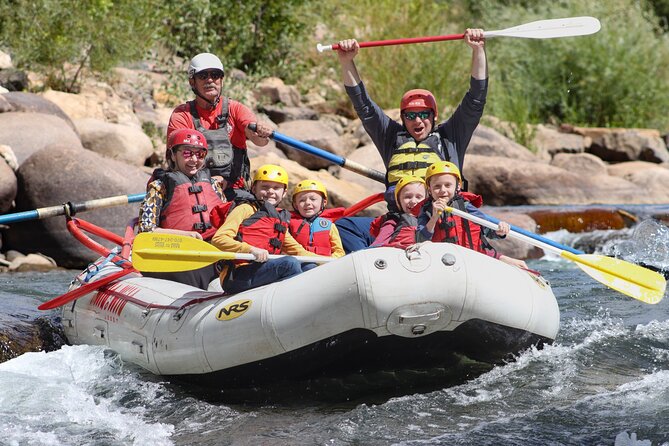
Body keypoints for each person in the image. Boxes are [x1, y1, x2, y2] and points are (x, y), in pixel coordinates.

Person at [335, 29, 487, 252]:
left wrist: (478, 50)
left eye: (425, 115)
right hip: (399, 220)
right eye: (411, 115)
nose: (418, 120)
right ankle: (370, 262)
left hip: (441, 222)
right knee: (345, 226)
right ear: (402, 118)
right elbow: (364, 106)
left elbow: (476, 99)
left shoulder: (450, 137)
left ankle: (387, 251)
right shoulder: (391, 137)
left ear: (434, 117)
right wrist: (346, 61)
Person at [167, 52, 274, 202]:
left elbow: (259, 141)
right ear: (192, 82)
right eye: (203, 76)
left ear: (221, 80)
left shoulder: (235, 108)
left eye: (215, 75)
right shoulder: (182, 115)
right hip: (194, 190)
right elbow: (177, 160)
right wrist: (208, 181)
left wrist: (262, 131)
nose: (210, 80)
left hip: (234, 191)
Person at [138, 128, 225, 288]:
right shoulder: (159, 186)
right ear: (173, 155)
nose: (194, 159)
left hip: (215, 250)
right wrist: (186, 235)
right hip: (181, 254)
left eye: (200, 154)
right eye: (186, 153)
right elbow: (146, 229)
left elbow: (228, 222)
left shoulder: (213, 185)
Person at [211, 164, 318, 294]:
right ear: (254, 188)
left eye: (276, 188)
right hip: (237, 275)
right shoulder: (245, 209)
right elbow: (218, 239)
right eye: (265, 187)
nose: (271, 191)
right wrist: (250, 249)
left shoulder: (278, 220)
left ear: (284, 193)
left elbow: (299, 252)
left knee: (310, 267)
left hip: (262, 270)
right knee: (289, 263)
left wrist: (330, 263)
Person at [416, 161, 527, 268]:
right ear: (429, 190)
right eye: (437, 186)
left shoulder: (465, 206)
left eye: (447, 185)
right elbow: (420, 240)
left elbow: (487, 229)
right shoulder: (426, 211)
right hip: (441, 261)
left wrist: (499, 231)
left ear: (457, 187)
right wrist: (434, 218)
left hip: (471, 259)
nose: (442, 190)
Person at [289, 179, 345, 259]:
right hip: (300, 264)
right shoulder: (288, 224)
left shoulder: (330, 227)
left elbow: (339, 252)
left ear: (324, 202)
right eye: (302, 200)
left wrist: (327, 262)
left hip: (325, 265)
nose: (307, 203)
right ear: (295, 205)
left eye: (313, 199)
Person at [370, 176, 426, 249]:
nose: (413, 201)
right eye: (408, 197)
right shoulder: (392, 223)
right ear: (398, 202)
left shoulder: (432, 220)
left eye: (418, 197)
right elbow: (376, 247)